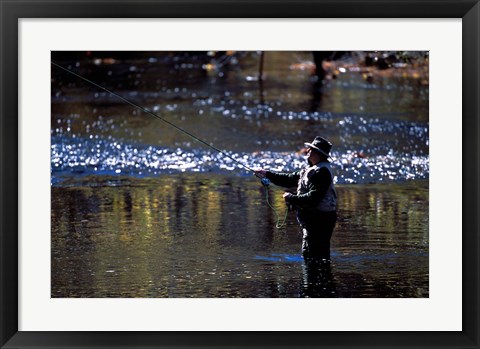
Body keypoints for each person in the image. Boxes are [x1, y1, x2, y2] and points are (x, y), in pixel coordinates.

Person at [255, 136, 337, 260]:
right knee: (311, 254)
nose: (307, 150)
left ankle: (316, 278)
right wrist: (267, 174)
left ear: (318, 153)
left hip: (320, 221)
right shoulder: (311, 169)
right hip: (313, 220)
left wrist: (291, 198)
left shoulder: (322, 172)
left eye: (311, 149)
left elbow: (313, 198)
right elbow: (288, 179)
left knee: (314, 255)